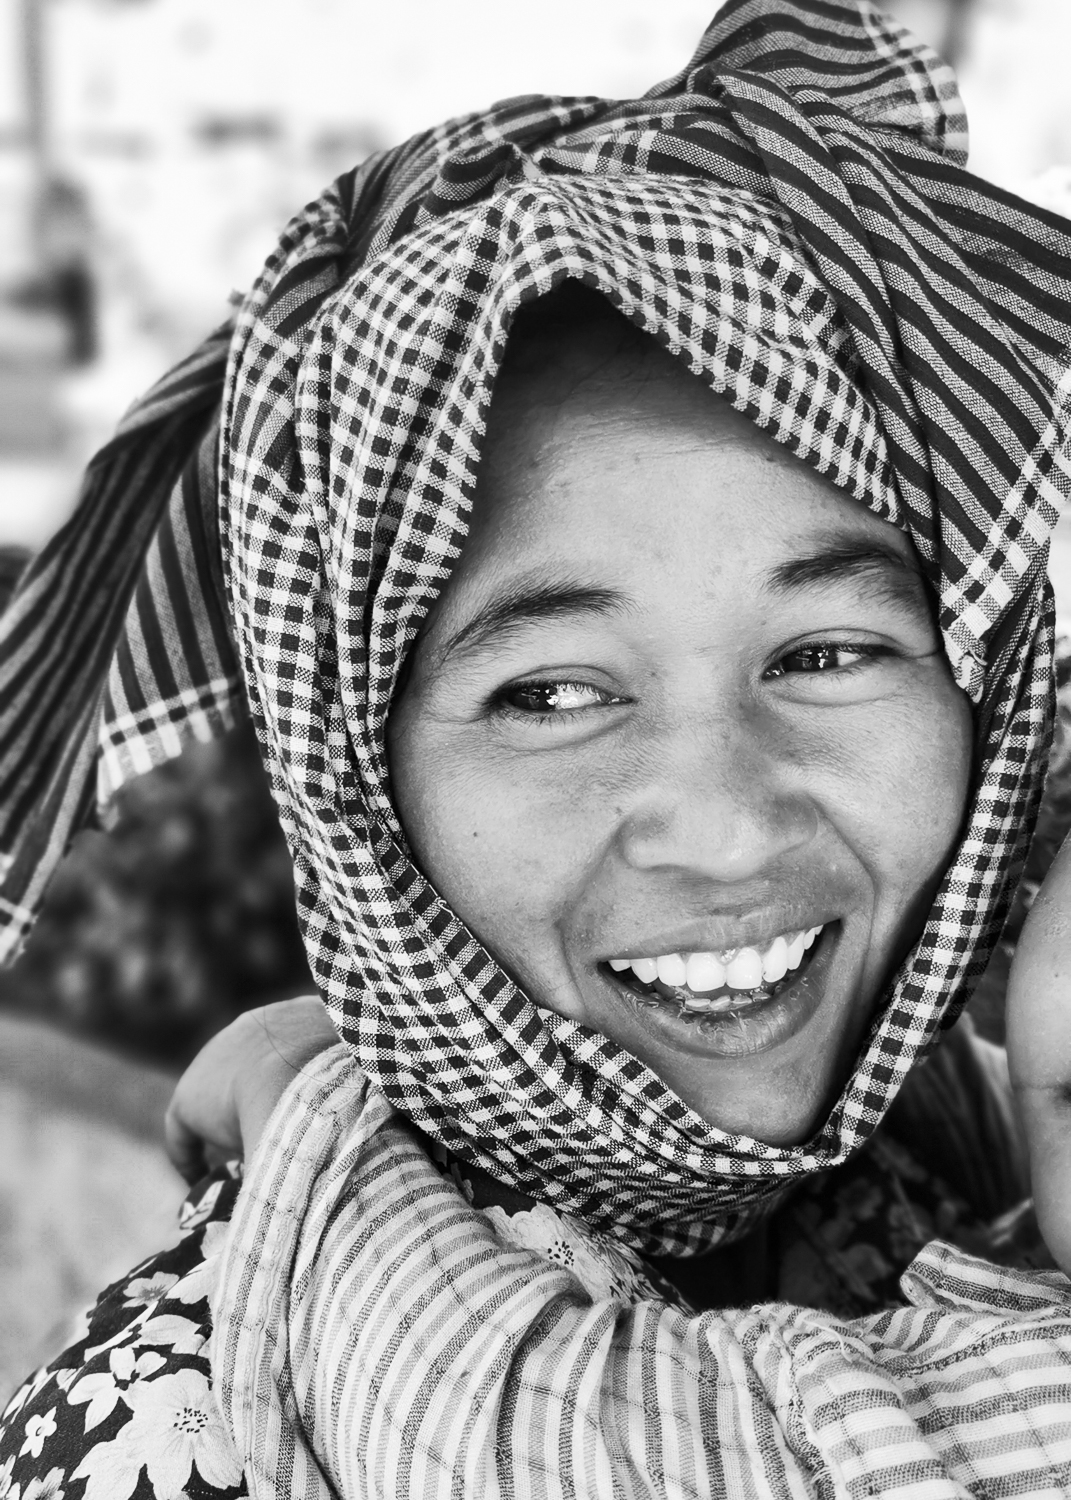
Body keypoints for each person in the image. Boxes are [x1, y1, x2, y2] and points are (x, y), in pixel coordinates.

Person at [4, 1, 1071, 1494]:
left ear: (982, 689)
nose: (723, 827)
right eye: (548, 692)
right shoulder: (198, 1426)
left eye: (829, 653)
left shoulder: (959, 1165)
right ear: (356, 779)